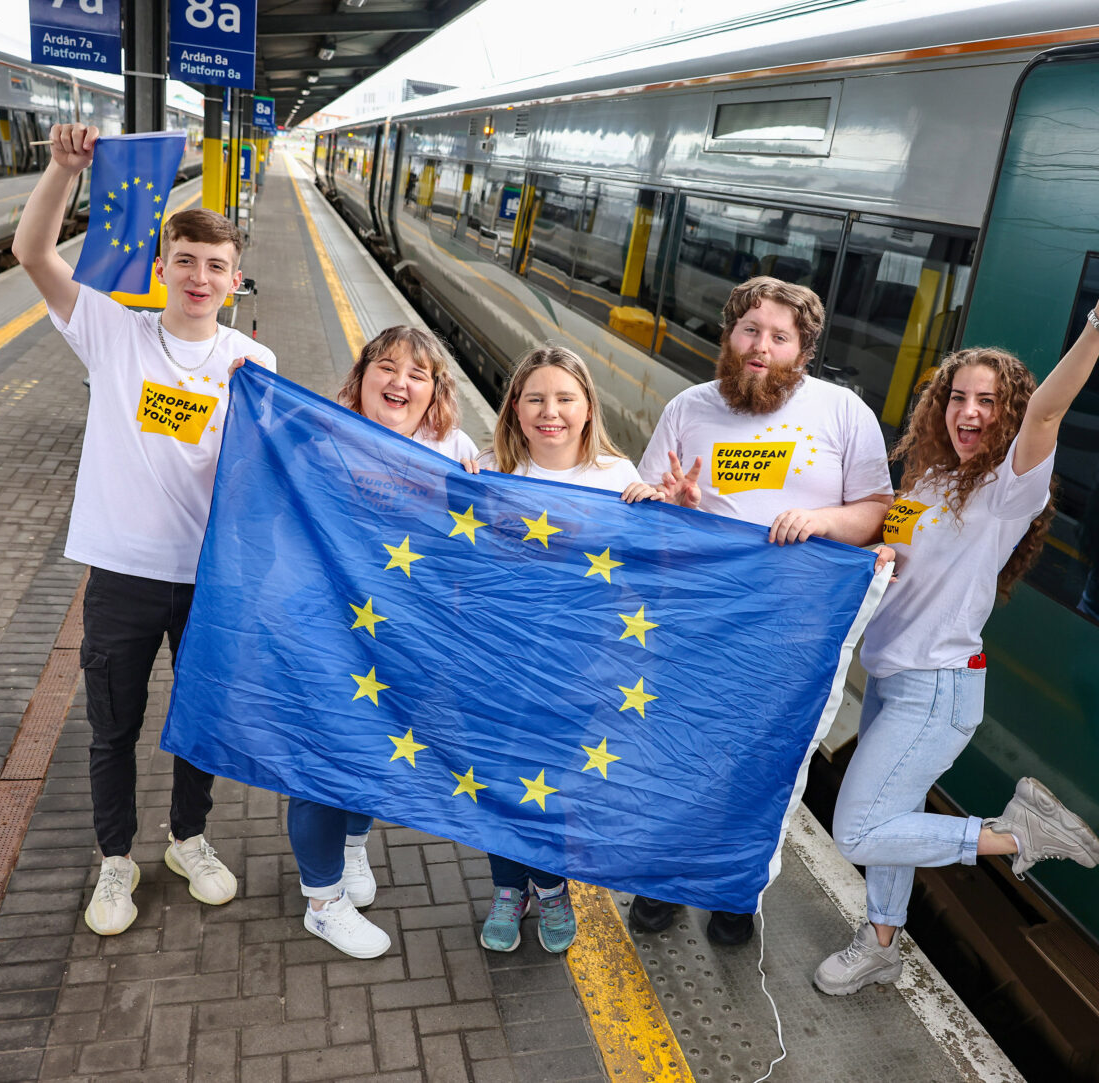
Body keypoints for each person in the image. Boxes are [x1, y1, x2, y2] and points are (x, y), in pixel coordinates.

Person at [812, 263, 1099, 997]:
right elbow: (891, 559)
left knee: (858, 830)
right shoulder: (929, 479)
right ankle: (879, 941)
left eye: (987, 401)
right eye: (956, 397)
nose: (968, 412)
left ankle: (1019, 834)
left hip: (934, 691)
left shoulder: (1008, 489)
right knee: (893, 816)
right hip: (891, 675)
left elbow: (1048, 415)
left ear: (1008, 413)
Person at [11, 123, 278, 936]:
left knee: (199, 718)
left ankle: (188, 838)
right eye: (185, 261)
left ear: (234, 283)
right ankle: (115, 857)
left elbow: (277, 474)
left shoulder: (254, 365)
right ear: (161, 270)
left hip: (211, 576)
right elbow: (32, 253)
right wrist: (62, 172)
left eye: (216, 266)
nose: (200, 277)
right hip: (123, 574)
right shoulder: (113, 334)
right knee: (113, 725)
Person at [633, 276, 895, 946]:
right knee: (680, 752)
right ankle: (659, 879)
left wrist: (822, 518)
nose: (762, 347)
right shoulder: (690, 408)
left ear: (803, 351)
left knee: (758, 764)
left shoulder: (843, 414)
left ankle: (734, 889)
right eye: (750, 330)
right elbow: (648, 515)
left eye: (780, 336)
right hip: (697, 621)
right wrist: (677, 506)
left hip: (790, 633)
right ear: (730, 334)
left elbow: (875, 512)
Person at [462, 345, 661, 954]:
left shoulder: (618, 479)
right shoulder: (489, 470)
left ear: (587, 407)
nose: (551, 412)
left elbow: (649, 575)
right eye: (536, 399)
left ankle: (549, 888)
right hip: (497, 660)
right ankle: (506, 888)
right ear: (515, 409)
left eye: (565, 398)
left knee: (549, 778)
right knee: (497, 775)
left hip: (578, 666)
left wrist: (663, 516)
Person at [290, 325, 478, 958]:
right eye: (388, 368)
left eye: (417, 375)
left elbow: (473, 542)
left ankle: (349, 847)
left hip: (408, 636)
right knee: (320, 756)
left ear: (434, 390)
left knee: (376, 746)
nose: (400, 383)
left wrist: (480, 487)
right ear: (363, 374)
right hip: (327, 627)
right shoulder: (322, 436)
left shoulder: (453, 447)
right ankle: (322, 900)